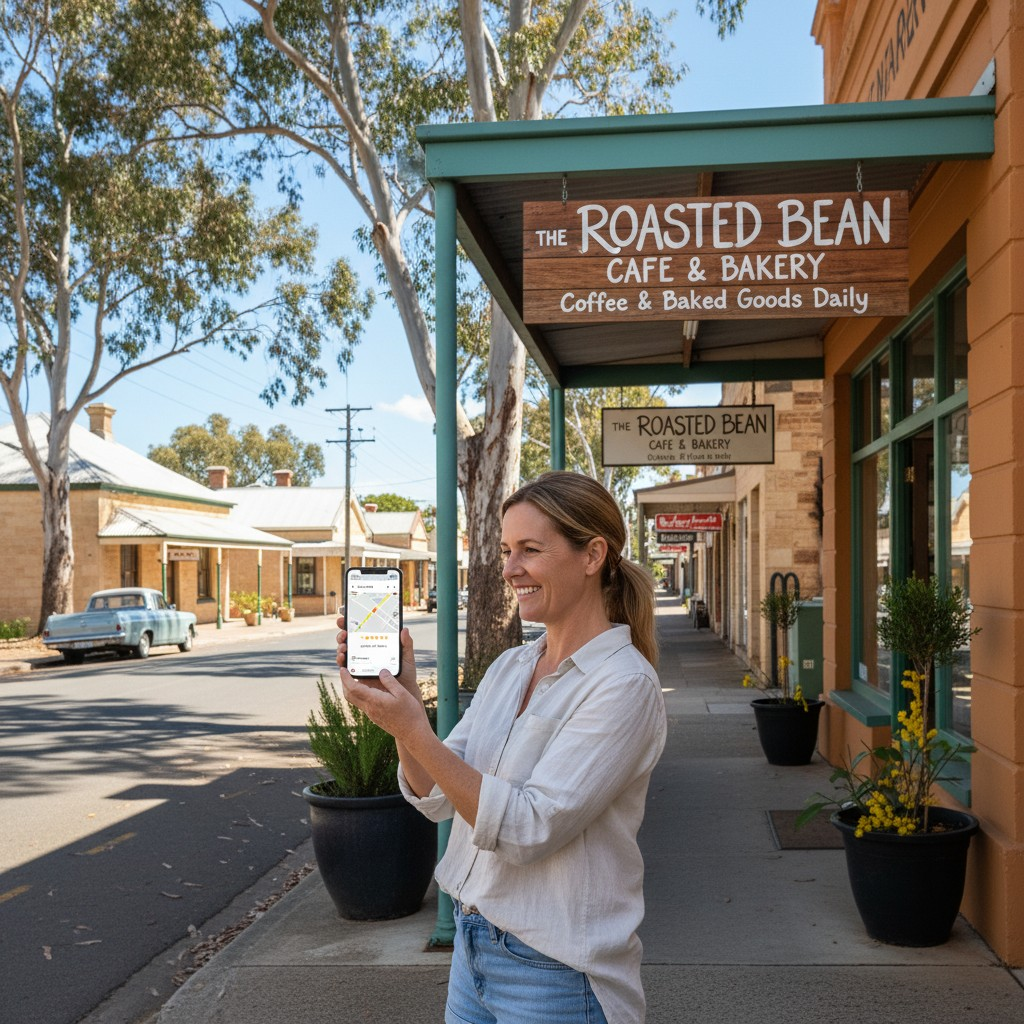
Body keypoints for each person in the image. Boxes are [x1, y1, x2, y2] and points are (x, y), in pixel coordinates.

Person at [337, 471, 667, 1024]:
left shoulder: (623, 685)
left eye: (530, 550)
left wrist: (416, 730)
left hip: (557, 973)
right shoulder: (512, 666)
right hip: (472, 952)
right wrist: (404, 713)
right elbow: (436, 794)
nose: (509, 569)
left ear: (593, 555)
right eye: (505, 550)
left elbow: (528, 827)